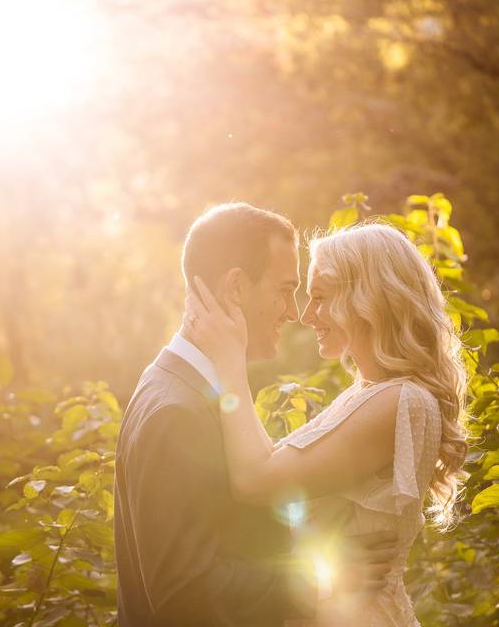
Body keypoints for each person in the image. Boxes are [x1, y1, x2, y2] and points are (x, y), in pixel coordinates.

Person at [114, 204, 399, 627]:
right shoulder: (175, 410)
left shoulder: (190, 388)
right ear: (234, 289)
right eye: (284, 290)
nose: (292, 310)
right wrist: (314, 587)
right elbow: (182, 592)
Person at [184, 221, 469, 626]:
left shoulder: (399, 401)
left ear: (366, 300)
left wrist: (229, 359)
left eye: (319, 298)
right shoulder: (369, 394)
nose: (305, 314)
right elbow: (278, 475)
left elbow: (255, 480)